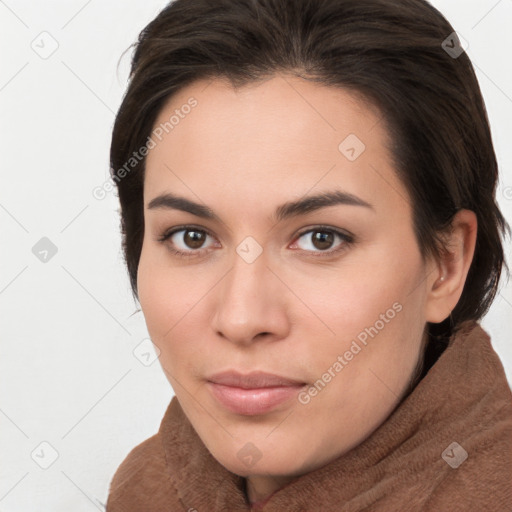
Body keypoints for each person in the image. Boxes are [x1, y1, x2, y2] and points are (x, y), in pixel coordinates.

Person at [105, 0, 512, 510]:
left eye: (322, 238)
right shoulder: (149, 488)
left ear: (446, 265)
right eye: (191, 237)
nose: (241, 318)